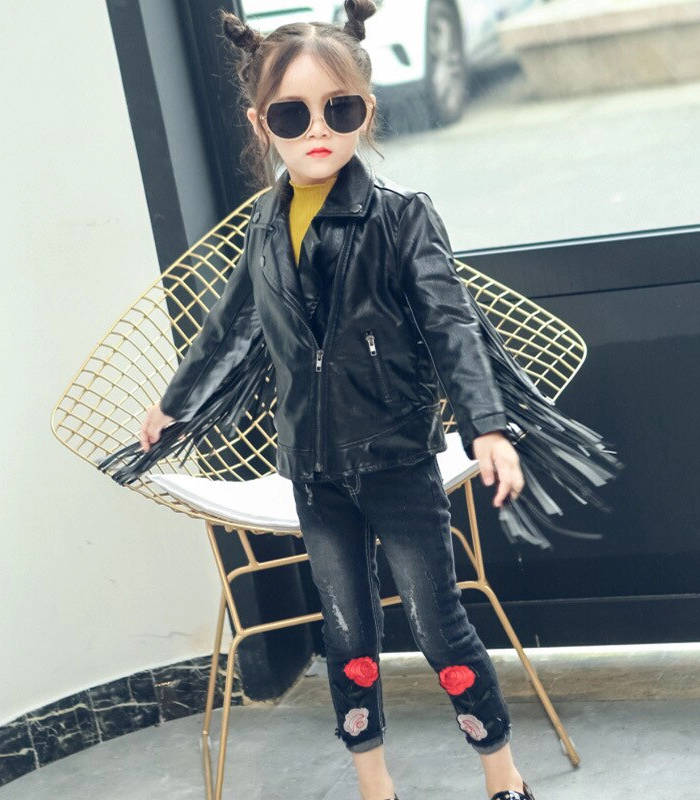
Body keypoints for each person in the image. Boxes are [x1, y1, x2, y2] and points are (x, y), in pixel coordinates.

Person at [139, 2, 534, 798]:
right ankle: (373, 785)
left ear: (366, 113)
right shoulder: (263, 224)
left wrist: (487, 425)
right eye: (293, 114)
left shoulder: (402, 216)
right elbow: (229, 326)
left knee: (438, 623)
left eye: (339, 109)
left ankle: (503, 776)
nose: (317, 128)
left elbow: (452, 324)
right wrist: (176, 401)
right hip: (313, 469)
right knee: (347, 631)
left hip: (397, 460)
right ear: (262, 124)